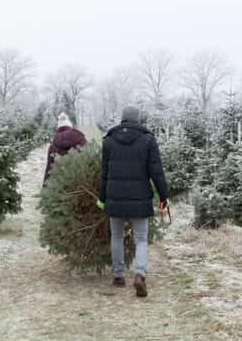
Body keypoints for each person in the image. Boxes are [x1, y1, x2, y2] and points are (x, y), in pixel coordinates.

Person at [97, 105, 170, 297]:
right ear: (138, 119)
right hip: (140, 198)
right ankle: (139, 274)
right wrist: (164, 196)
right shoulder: (147, 139)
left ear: (122, 119)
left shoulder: (109, 141)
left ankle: (119, 276)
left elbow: (104, 173)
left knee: (117, 237)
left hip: (115, 197)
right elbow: (156, 171)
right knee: (141, 239)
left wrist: (102, 198)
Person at [44, 112, 88, 184]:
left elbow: (50, 168)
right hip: (82, 183)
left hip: (61, 185)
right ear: (70, 126)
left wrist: (45, 188)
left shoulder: (53, 145)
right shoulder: (81, 139)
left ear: (58, 128)